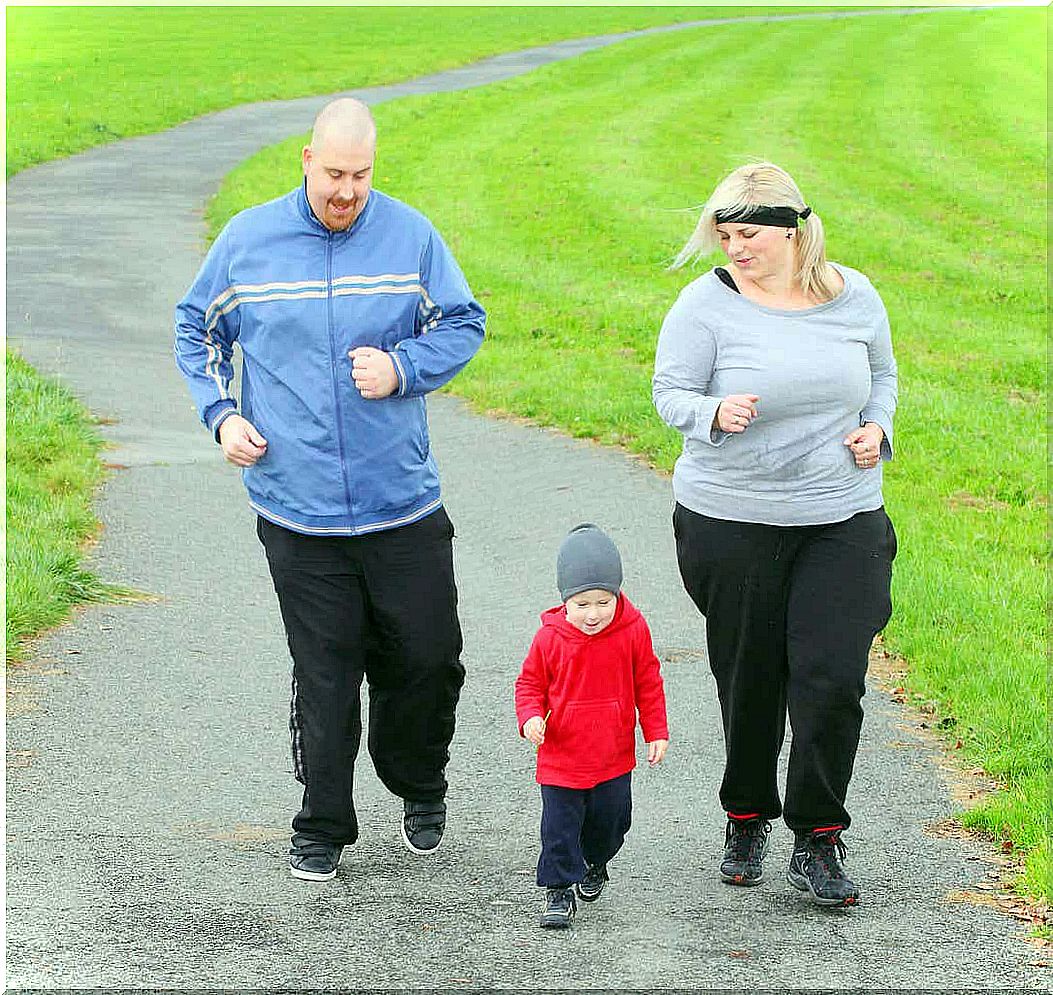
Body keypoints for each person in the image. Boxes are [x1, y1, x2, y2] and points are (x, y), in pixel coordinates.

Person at [174, 97, 486, 882]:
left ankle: (416, 779)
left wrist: (402, 367)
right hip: (296, 505)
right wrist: (220, 415)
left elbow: (462, 321)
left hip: (400, 500)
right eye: (334, 174)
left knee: (428, 658)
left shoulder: (409, 235)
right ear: (305, 162)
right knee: (325, 670)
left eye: (361, 175)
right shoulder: (248, 242)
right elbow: (196, 329)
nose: (347, 191)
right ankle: (321, 824)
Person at [652, 162, 897, 908]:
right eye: (722, 235)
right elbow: (669, 394)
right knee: (750, 676)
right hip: (731, 522)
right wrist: (712, 414)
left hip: (841, 517)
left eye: (748, 233)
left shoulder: (853, 295)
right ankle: (746, 815)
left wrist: (878, 430)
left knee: (830, 678)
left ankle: (818, 834)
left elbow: (881, 375)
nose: (734, 247)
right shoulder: (703, 306)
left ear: (794, 229)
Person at [514, 524, 669, 928]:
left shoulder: (633, 631)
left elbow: (648, 681)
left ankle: (595, 861)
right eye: (582, 604)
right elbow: (529, 683)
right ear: (565, 601)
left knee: (613, 823)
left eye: (603, 601)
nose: (594, 613)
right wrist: (530, 717)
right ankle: (558, 890)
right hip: (562, 758)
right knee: (559, 828)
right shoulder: (549, 639)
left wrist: (656, 730)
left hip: (613, 758)